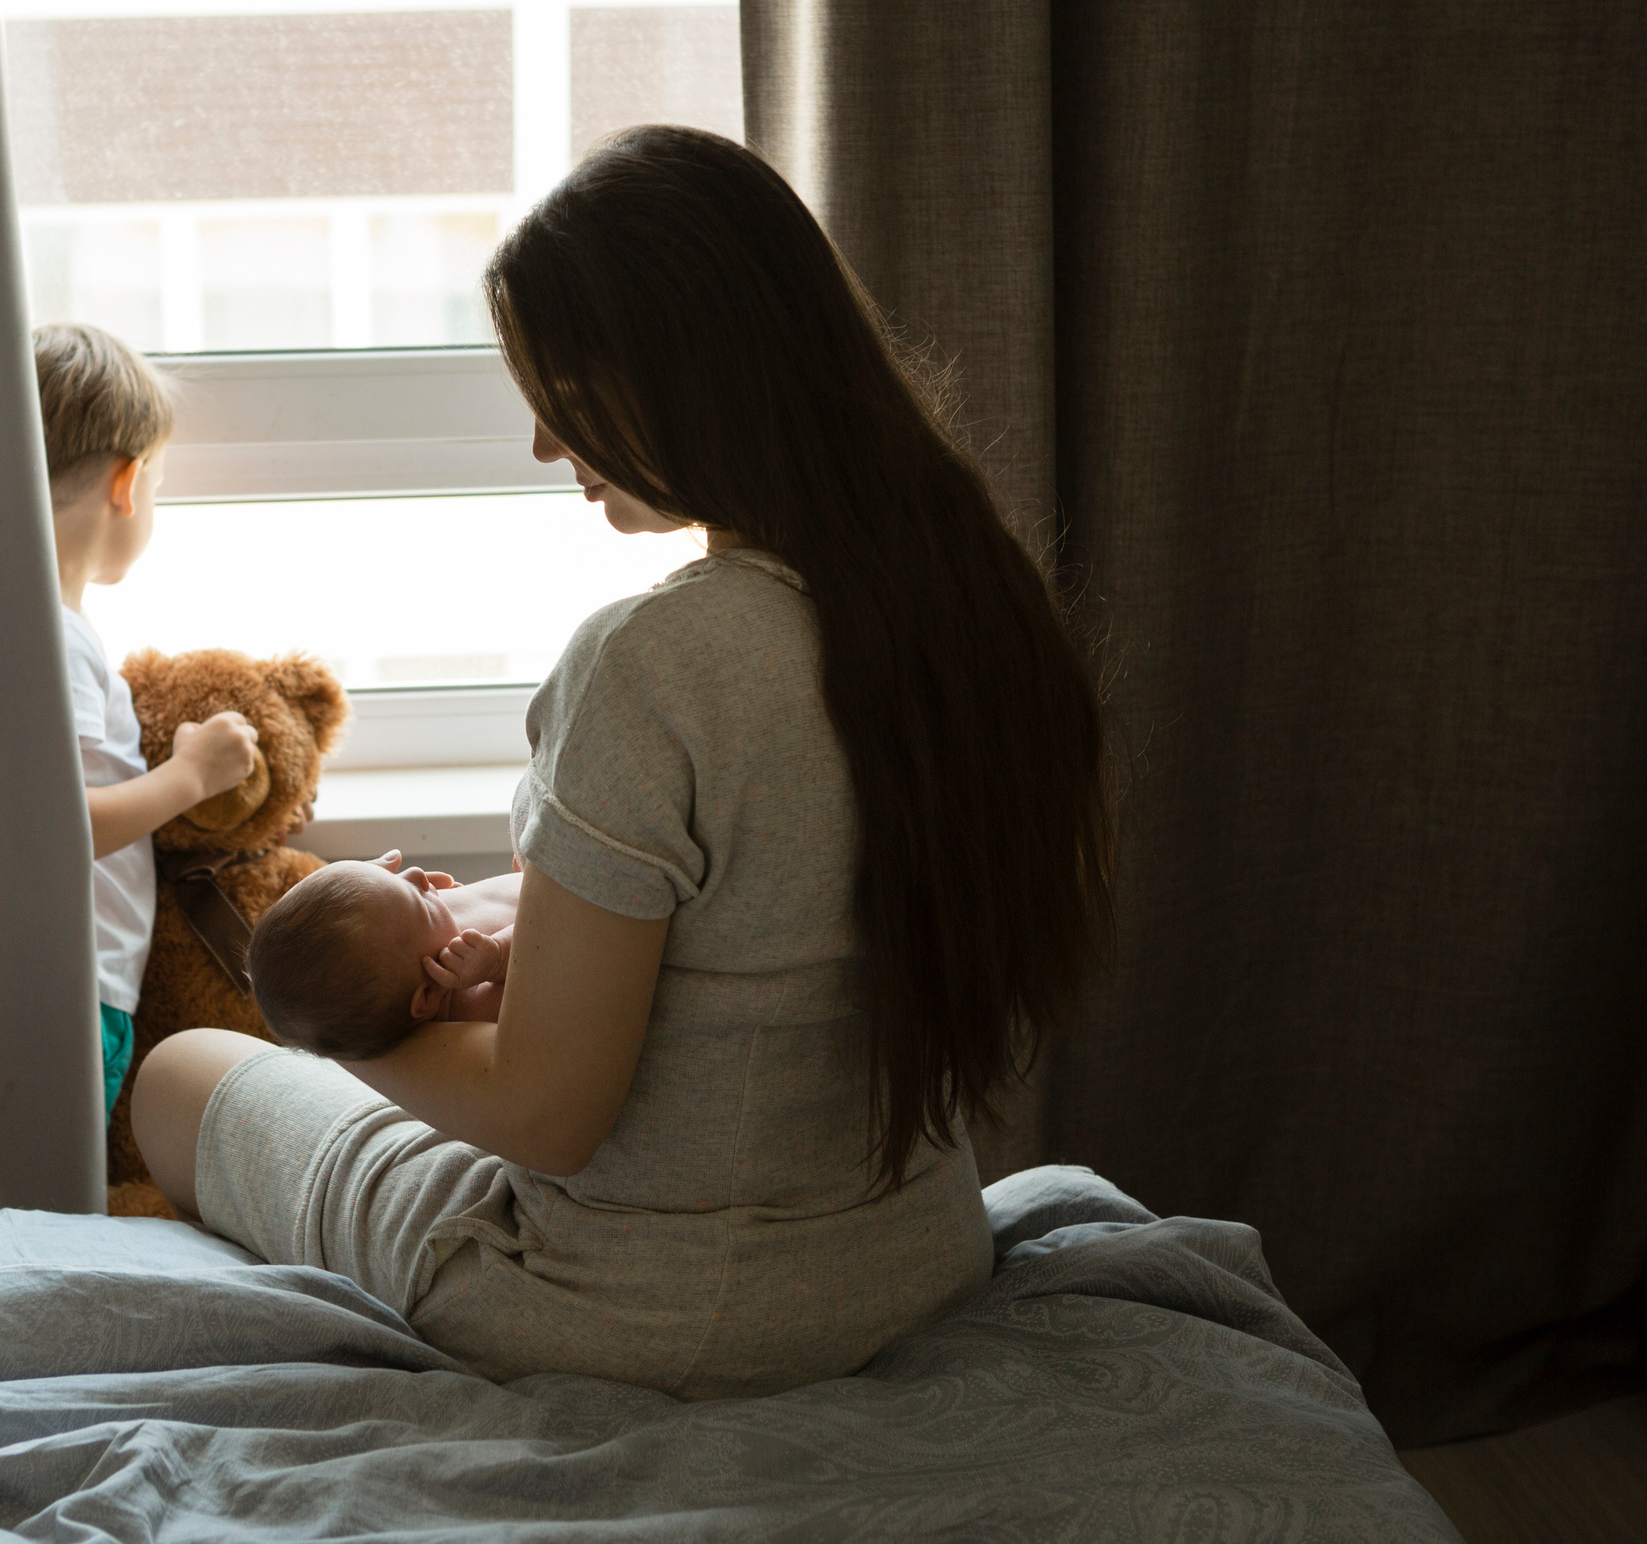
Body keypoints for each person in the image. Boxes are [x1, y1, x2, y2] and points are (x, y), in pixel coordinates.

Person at [129, 127, 1114, 1401]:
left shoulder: (659, 661)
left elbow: (547, 1118)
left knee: (178, 1075)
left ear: (676, 379)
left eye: (563, 399)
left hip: (649, 1310)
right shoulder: (973, 613)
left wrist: (338, 1025)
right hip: (913, 1254)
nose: (546, 447)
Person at [35, 323, 259, 1119]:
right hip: (74, 993)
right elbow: (64, 824)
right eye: (158, 485)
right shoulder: (51, 640)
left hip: (83, 984)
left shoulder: (47, 627)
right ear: (127, 483)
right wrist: (191, 775)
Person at [247, 854, 520, 1061]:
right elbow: (554, 953)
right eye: (421, 904)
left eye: (396, 876)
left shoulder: (416, 935)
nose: (416, 874)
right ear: (426, 996)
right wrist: (500, 958)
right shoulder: (473, 1005)